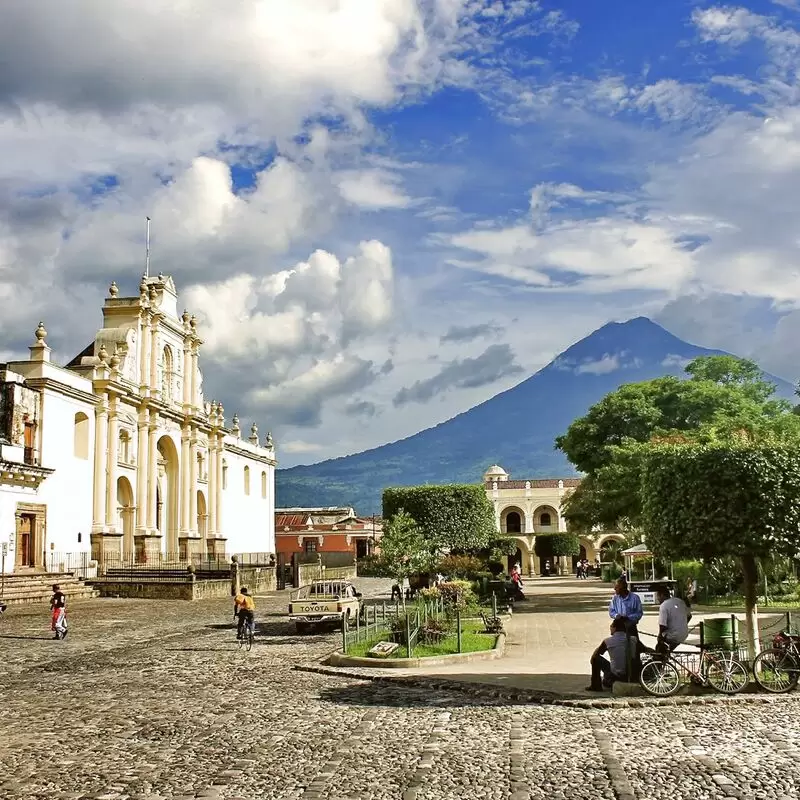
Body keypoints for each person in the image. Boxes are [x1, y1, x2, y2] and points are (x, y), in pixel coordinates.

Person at [587, 618, 639, 692]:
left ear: (614, 628)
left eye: (611, 626)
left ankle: (595, 686)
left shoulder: (607, 641)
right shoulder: (634, 639)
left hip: (615, 675)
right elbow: (644, 649)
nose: (610, 628)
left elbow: (596, 654)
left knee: (595, 659)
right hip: (631, 674)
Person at [655, 584, 691, 654]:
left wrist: (659, 637)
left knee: (659, 649)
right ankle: (665, 657)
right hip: (684, 634)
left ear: (662, 595)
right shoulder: (679, 601)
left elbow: (662, 626)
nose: (657, 599)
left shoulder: (663, 605)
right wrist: (681, 625)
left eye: (658, 596)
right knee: (666, 650)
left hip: (673, 636)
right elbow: (689, 616)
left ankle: (660, 662)